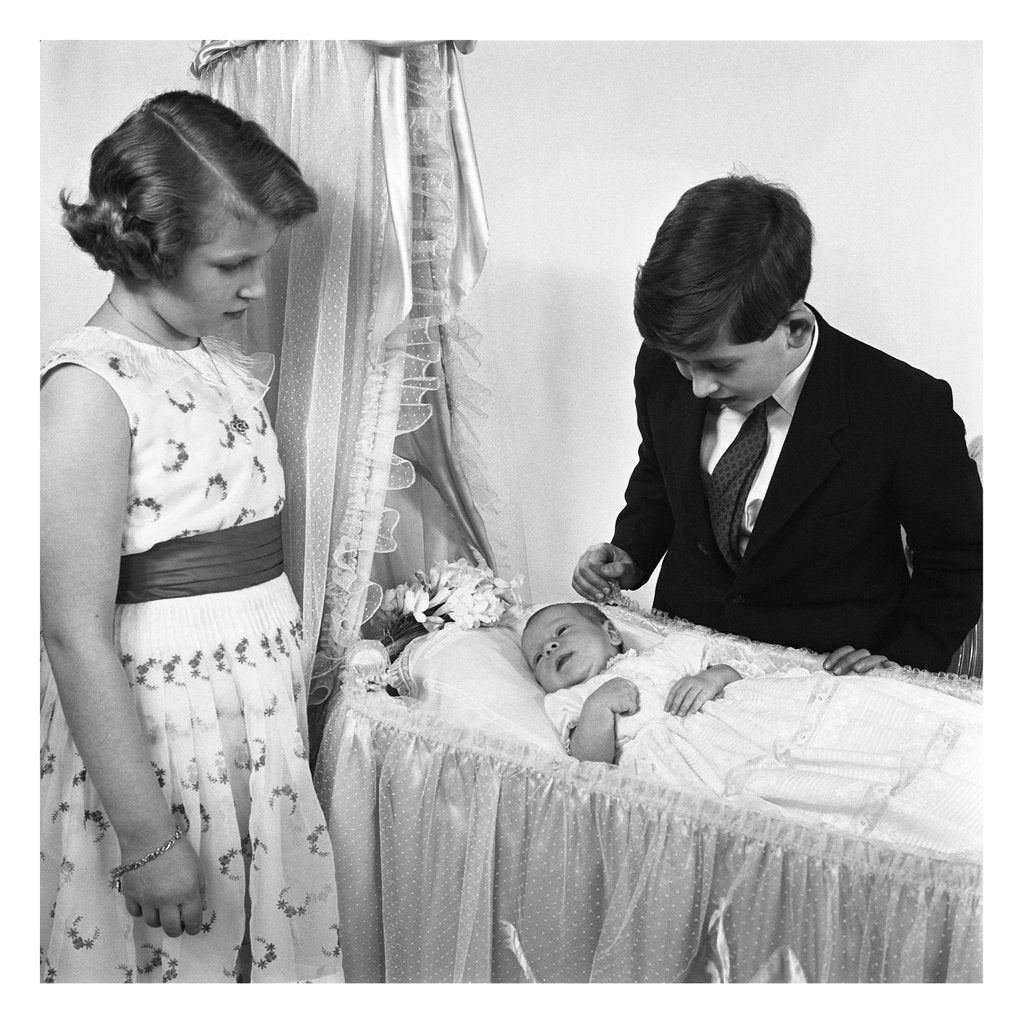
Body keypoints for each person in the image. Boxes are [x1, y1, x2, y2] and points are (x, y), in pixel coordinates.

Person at [40, 91, 342, 983]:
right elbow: (70, 627)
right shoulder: (89, 391)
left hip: (250, 724)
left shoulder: (206, 356)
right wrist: (144, 835)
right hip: (164, 748)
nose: (255, 286)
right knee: (180, 958)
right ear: (144, 247)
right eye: (233, 264)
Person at [572, 175, 982, 674]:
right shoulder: (663, 365)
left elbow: (959, 560)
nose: (697, 386)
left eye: (721, 367)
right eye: (684, 362)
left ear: (794, 330)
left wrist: (901, 665)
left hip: (824, 677)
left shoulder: (904, 408)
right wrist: (630, 553)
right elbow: (659, 472)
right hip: (684, 655)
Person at [520, 603, 980, 858]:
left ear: (612, 632)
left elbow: (735, 670)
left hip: (742, 723)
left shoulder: (664, 654)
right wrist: (600, 708)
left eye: (560, 631)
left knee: (814, 736)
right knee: (774, 797)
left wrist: (709, 678)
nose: (552, 647)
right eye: (540, 655)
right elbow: (588, 769)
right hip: (686, 767)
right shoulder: (567, 701)